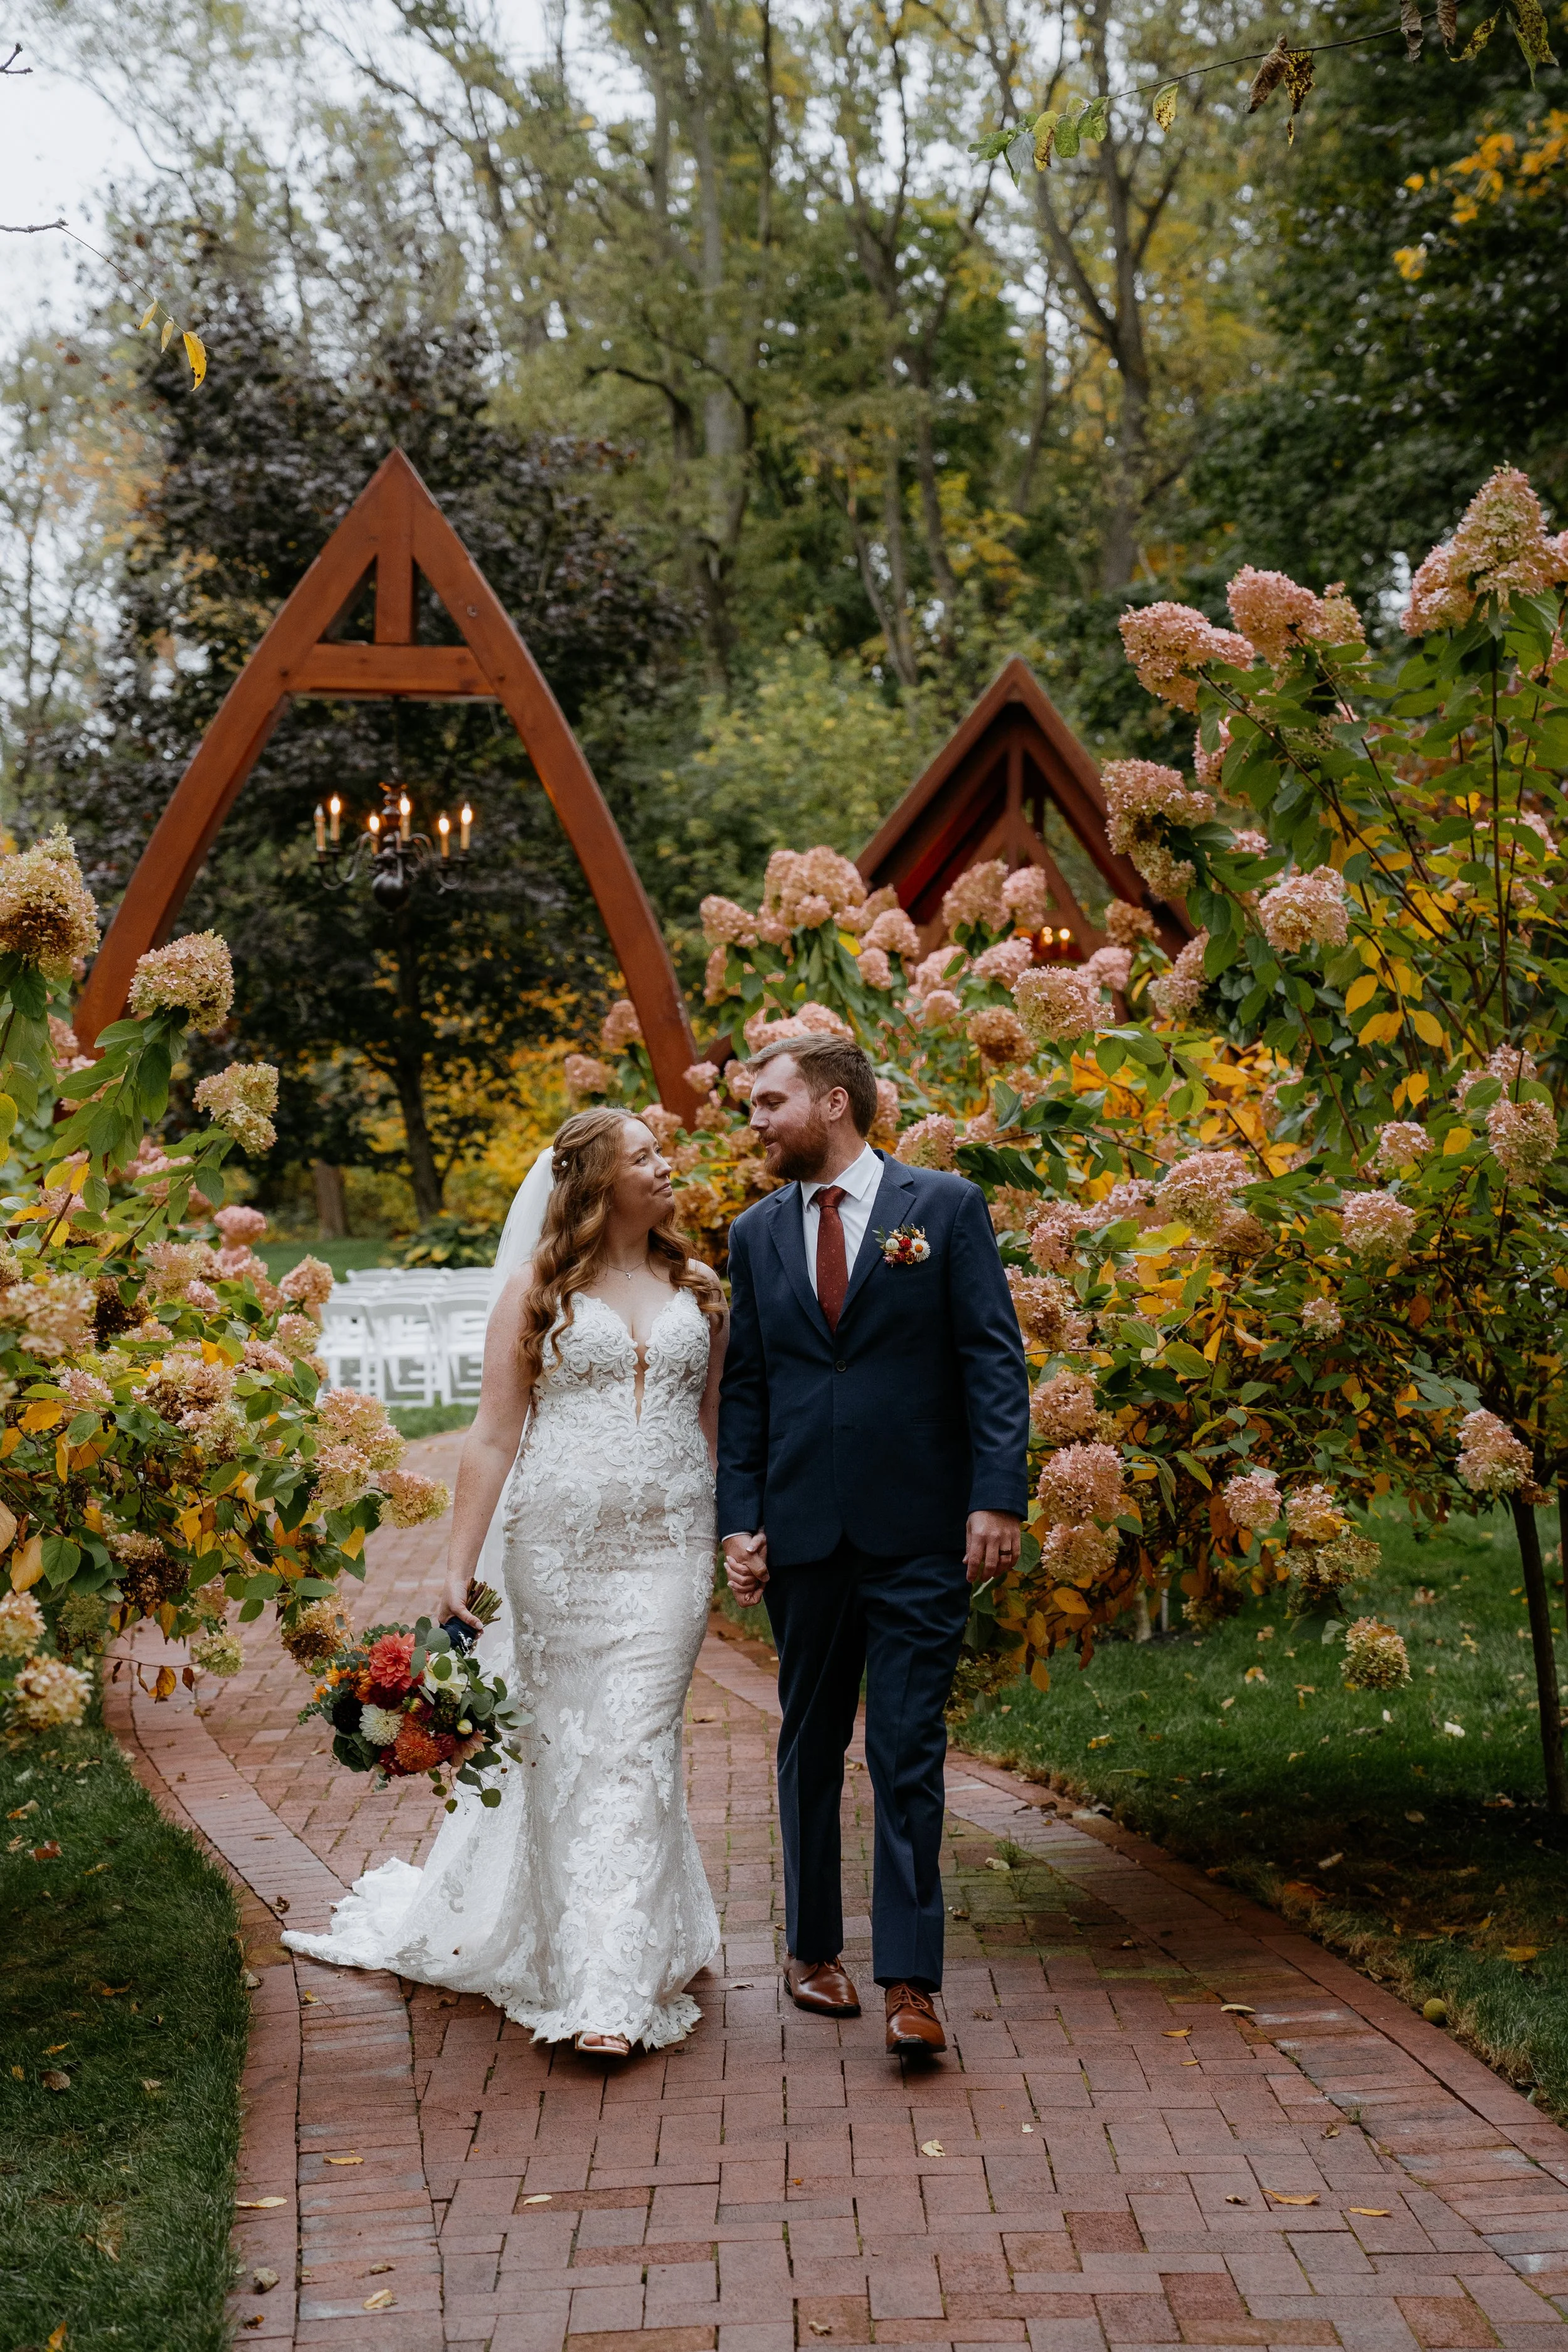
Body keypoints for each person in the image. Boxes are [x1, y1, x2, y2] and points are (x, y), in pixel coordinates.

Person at [284, 1108, 726, 2058]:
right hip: (558, 1553)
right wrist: (456, 1565)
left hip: (671, 1549)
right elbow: (492, 1435)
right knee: (570, 1747)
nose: (667, 1166)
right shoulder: (536, 1290)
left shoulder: (698, 1284)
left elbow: (715, 1427)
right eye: (645, 1156)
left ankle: (609, 1988)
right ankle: (613, 1951)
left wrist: (735, 1534)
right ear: (598, 1182)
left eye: (662, 1152)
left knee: (638, 1738)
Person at [718, 1034, 1029, 2056]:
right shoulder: (755, 1232)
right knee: (810, 1744)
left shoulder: (943, 1208)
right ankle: (812, 1952)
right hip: (804, 1532)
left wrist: (996, 1497)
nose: (754, 1123)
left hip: (920, 1531)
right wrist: (742, 1518)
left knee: (906, 1750)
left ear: (836, 1100)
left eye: (769, 1103)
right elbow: (751, 1388)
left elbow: (992, 1358)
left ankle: (911, 1981)